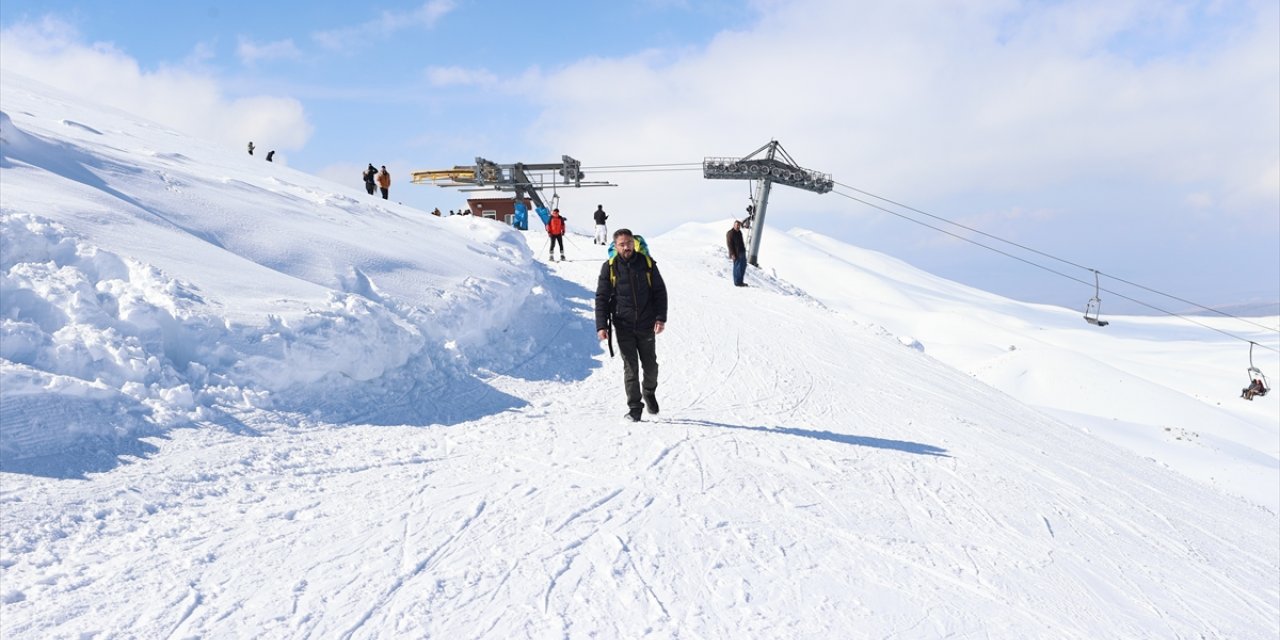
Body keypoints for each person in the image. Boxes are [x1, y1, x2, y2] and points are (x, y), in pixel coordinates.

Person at [596, 229, 667, 422]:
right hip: (623, 325)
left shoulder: (647, 264)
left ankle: (649, 391)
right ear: (616, 246)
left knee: (651, 366)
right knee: (630, 367)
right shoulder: (610, 267)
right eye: (622, 244)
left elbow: (660, 291)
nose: (626, 247)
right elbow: (601, 297)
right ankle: (635, 407)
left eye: (629, 243)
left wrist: (660, 318)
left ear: (634, 243)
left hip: (647, 324)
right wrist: (601, 325)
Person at [727, 219, 748, 287]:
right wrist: (732, 254)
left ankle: (741, 281)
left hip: (742, 252)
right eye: (736, 225)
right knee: (737, 268)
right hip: (736, 253)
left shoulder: (739, 232)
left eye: (739, 225)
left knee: (743, 267)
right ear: (734, 225)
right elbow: (729, 244)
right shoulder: (730, 233)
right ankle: (737, 282)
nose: (738, 226)